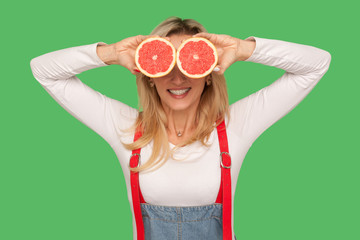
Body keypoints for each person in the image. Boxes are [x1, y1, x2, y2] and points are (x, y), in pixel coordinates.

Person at [30, 16, 331, 240]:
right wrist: (111, 53)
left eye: (191, 63)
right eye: (165, 63)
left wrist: (242, 48)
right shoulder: (125, 128)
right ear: (149, 74)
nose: (177, 78)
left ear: (210, 74)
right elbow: (44, 71)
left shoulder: (236, 125)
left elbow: (317, 63)